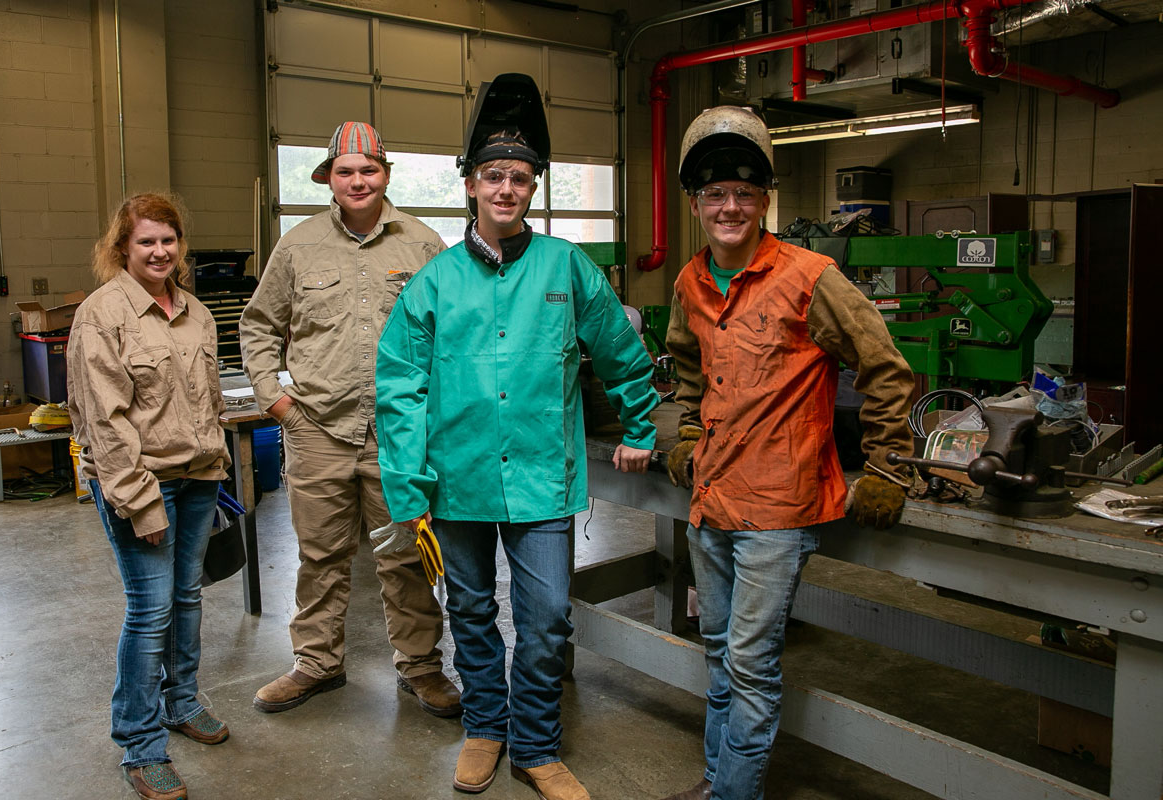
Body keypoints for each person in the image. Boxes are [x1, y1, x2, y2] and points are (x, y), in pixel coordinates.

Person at [375, 73, 659, 800]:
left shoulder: (567, 267)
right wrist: (407, 482)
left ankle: (536, 744)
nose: (506, 189)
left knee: (546, 622)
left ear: (534, 188)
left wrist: (639, 423)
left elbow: (623, 353)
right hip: (458, 481)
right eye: (494, 175)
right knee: (469, 611)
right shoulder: (433, 282)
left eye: (520, 178)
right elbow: (399, 385)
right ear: (470, 183)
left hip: (540, 479)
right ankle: (485, 728)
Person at [658, 107, 915, 800]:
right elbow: (685, 366)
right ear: (696, 204)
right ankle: (717, 783)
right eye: (715, 194)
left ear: (765, 200)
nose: (729, 206)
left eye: (744, 192)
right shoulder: (689, 283)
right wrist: (684, 434)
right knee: (718, 652)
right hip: (711, 501)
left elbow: (885, 367)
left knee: (748, 663)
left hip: (778, 507)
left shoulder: (811, 277)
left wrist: (889, 466)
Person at [239, 121, 461, 717]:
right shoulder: (298, 245)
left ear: (385, 174)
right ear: (329, 180)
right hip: (317, 430)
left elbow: (451, 339)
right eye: (346, 172)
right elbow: (258, 325)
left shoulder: (422, 245)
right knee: (321, 556)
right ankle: (317, 663)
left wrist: (432, 420)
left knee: (405, 556)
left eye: (369, 170)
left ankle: (421, 667)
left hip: (396, 434)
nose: (358, 181)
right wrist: (276, 400)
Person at [68, 193, 231, 800]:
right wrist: (140, 501)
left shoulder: (195, 312)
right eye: (146, 242)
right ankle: (140, 743)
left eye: (169, 240)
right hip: (144, 482)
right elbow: (103, 422)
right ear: (122, 248)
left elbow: (206, 400)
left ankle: (182, 704)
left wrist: (215, 466)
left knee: (187, 597)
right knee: (151, 608)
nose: (160, 251)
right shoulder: (102, 315)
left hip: (198, 477)